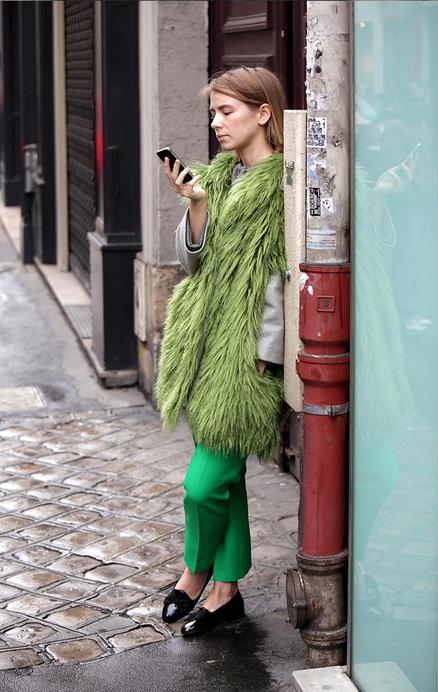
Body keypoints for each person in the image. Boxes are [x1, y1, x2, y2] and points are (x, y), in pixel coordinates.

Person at [155, 66, 287, 636]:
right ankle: (227, 592)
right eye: (213, 113)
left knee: (203, 483)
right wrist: (198, 205)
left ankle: (194, 571)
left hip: (247, 356)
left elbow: (284, 275)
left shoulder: (284, 183)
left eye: (226, 111)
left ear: (263, 112)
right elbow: (190, 264)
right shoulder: (216, 177)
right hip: (205, 345)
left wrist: (271, 352)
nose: (215, 123)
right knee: (223, 478)